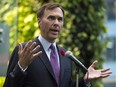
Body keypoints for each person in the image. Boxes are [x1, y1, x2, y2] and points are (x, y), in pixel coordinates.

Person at [3, 2, 112, 87]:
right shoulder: (25, 50)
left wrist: (85, 80)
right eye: (51, 18)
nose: (56, 23)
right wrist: (21, 66)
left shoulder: (66, 55)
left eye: (60, 19)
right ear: (39, 21)